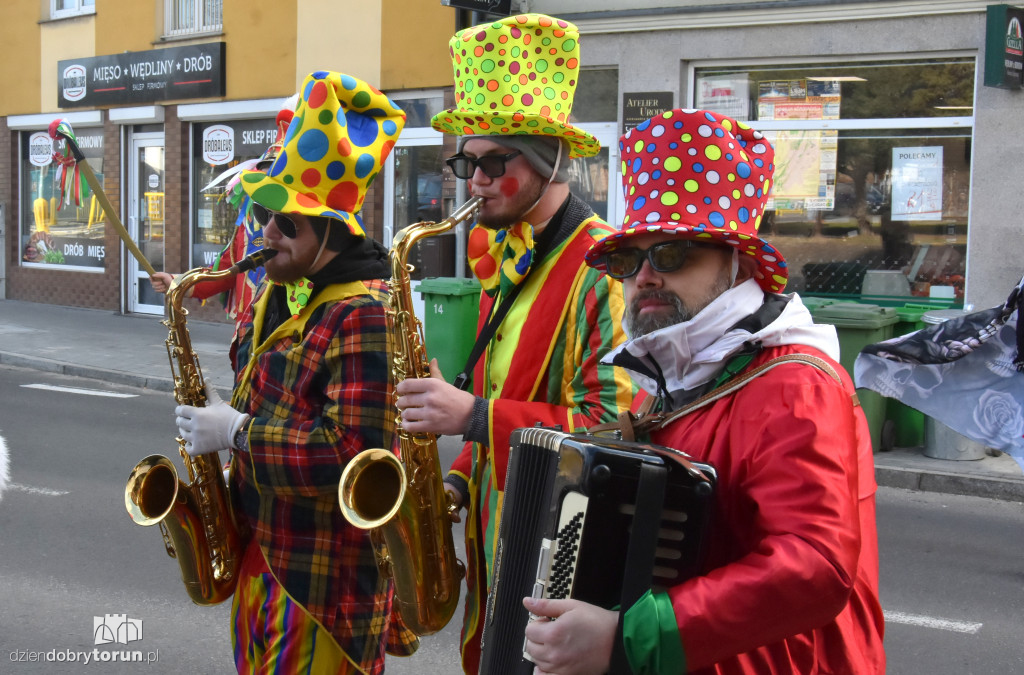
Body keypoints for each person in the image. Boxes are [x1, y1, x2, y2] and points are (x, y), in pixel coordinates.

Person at [520, 109, 887, 674]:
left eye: (671, 253)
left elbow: (816, 564)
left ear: (737, 263)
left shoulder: (794, 383)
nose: (644, 275)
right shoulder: (672, 379)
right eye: (627, 259)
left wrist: (629, 636)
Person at [395, 12, 635, 674]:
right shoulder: (507, 253)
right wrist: (454, 480)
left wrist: (469, 415)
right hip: (499, 542)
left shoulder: (602, 269)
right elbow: (511, 393)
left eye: (489, 163)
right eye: (464, 163)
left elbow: (614, 429)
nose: (470, 182)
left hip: (559, 554)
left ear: (545, 158)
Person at [173, 70, 416, 675]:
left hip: (321, 588)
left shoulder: (364, 312)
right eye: (262, 213)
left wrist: (236, 433)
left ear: (331, 232)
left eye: (287, 223)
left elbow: (354, 456)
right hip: (264, 556)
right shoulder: (285, 291)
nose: (266, 232)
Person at [149, 97, 297, 320]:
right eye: (265, 173)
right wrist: (180, 282)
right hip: (248, 337)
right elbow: (229, 268)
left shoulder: (313, 225)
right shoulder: (251, 215)